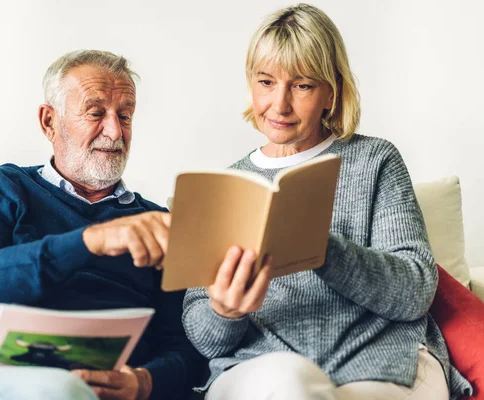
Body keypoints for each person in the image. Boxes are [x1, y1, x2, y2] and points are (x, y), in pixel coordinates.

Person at [182, 4, 472, 400]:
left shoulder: (376, 160)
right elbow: (204, 337)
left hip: (377, 359)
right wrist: (224, 312)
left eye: (301, 86)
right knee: (287, 385)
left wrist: (322, 249)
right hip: (262, 366)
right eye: (266, 82)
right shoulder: (227, 186)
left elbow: (415, 292)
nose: (279, 105)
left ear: (331, 92)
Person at [0, 49, 203, 400]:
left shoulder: (157, 223)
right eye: (96, 113)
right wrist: (89, 241)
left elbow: (187, 348)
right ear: (49, 122)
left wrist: (145, 381)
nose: (114, 131)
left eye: (125, 116)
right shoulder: (0, 187)